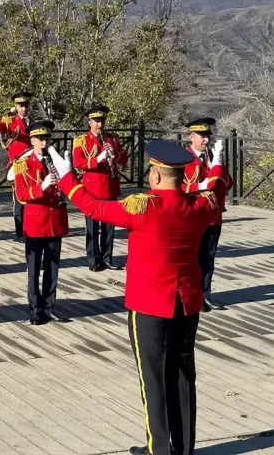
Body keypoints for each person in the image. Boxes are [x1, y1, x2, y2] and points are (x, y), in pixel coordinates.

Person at [50, 139, 229, 455]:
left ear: (157, 176)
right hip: (187, 301)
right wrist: (216, 164)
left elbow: (94, 207)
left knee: (154, 377)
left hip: (149, 304)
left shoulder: (142, 208)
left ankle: (159, 448)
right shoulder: (200, 206)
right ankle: (184, 449)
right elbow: (217, 188)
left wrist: (67, 178)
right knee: (184, 375)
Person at [12, 121, 70, 325]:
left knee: (52, 268)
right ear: (32, 140)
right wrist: (41, 187)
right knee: (34, 268)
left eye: (47, 139)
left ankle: (49, 306)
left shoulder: (53, 161)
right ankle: (35, 308)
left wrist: (67, 174)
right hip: (36, 222)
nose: (45, 143)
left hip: (55, 219)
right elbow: (20, 194)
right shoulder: (23, 164)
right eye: (41, 139)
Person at [183, 117, 233, 312]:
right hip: (195, 215)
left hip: (213, 215)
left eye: (207, 136)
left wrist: (217, 166)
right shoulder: (185, 159)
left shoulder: (212, 157)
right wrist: (200, 185)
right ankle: (192, 295)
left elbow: (227, 183)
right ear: (191, 137)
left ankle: (206, 293)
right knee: (193, 257)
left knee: (208, 257)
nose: (206, 140)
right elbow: (179, 186)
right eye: (202, 136)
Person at [72, 104, 129, 272]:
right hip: (93, 189)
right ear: (89, 122)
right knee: (92, 225)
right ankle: (93, 259)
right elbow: (77, 162)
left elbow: (124, 158)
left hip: (110, 187)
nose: (100, 124)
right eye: (96, 121)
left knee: (109, 226)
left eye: (102, 120)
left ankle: (107, 258)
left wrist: (115, 155)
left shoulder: (112, 138)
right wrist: (97, 160)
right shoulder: (82, 140)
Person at [0, 92, 34, 243]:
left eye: (26, 105)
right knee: (19, 199)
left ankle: (31, 229)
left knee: (32, 197)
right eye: (20, 105)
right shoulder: (9, 121)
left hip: (32, 166)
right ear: (15, 106)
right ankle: (20, 232)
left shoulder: (33, 121)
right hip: (18, 165)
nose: (23, 108)